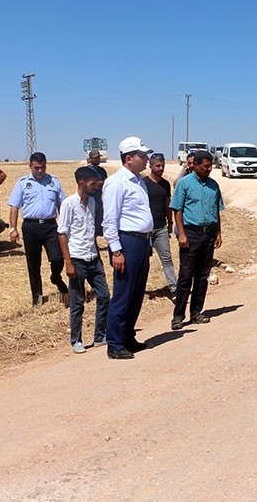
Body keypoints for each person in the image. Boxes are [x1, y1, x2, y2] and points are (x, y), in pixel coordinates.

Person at [102, 137, 156, 360]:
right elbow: (109, 220)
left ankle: (127, 337)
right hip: (127, 242)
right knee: (123, 295)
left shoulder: (138, 180)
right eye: (142, 156)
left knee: (136, 294)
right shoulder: (117, 182)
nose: (146, 159)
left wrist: (148, 242)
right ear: (128, 158)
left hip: (141, 242)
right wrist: (116, 250)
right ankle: (114, 343)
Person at [58, 166, 110, 354]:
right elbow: (62, 234)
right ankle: (76, 340)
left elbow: (91, 233)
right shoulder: (68, 204)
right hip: (77, 259)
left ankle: (99, 336)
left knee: (104, 296)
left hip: (93, 257)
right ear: (81, 183)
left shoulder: (93, 203)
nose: (95, 186)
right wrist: (68, 262)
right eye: (92, 183)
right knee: (77, 302)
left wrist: (99, 256)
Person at [169, 150, 223, 330]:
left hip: (209, 234)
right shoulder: (184, 184)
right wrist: (182, 234)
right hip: (190, 234)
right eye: (205, 166)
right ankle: (178, 316)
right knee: (186, 275)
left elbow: (216, 210)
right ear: (196, 165)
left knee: (202, 276)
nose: (209, 169)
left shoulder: (214, 185)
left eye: (211, 166)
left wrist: (219, 233)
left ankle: (196, 312)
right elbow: (177, 210)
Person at [7, 152, 68, 307]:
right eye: (36, 168)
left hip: (50, 225)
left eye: (42, 167)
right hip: (31, 227)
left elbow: (62, 204)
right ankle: (37, 296)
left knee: (57, 257)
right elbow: (14, 207)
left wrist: (65, 224)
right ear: (30, 166)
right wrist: (13, 229)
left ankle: (55, 277)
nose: (40, 171)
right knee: (33, 264)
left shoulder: (54, 182)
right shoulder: (22, 183)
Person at [143, 152, 177, 296]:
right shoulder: (143, 184)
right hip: (145, 230)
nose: (160, 168)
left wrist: (170, 223)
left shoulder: (165, 184)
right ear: (151, 166)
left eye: (162, 165)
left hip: (161, 227)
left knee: (167, 258)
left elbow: (167, 204)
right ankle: (139, 290)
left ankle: (174, 288)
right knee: (143, 262)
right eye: (157, 165)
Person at [86, 149, 107, 237]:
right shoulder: (87, 170)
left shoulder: (102, 170)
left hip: (100, 200)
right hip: (90, 200)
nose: (98, 159)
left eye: (98, 157)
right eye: (95, 158)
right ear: (90, 159)